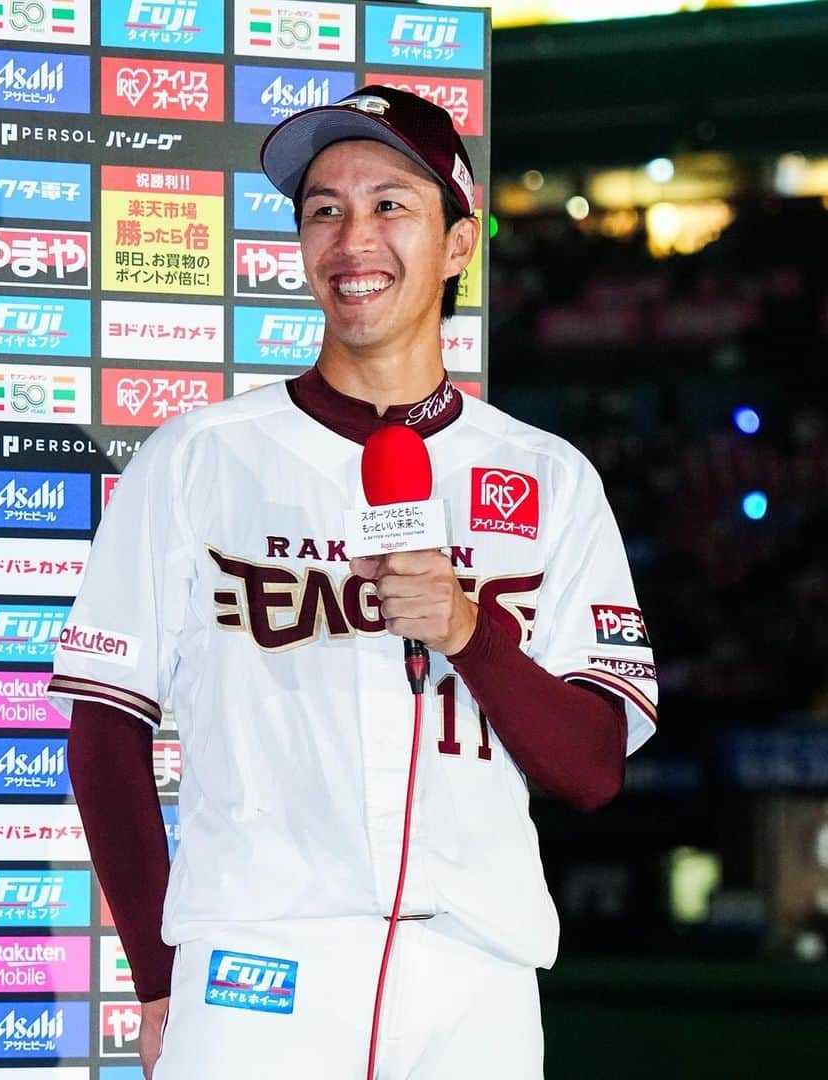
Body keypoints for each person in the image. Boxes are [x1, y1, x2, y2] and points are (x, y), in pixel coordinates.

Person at [49, 86, 657, 1079]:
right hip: (260, 964)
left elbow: (591, 767)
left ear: (460, 243)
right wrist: (160, 977)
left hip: (479, 976)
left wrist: (468, 631)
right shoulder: (199, 455)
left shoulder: (549, 477)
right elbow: (105, 730)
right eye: (323, 209)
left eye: (390, 205)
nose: (352, 237)